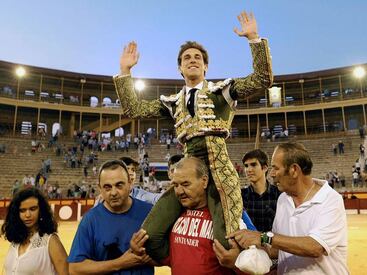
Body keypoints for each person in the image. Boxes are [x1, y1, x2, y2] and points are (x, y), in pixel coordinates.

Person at [113, 11, 273, 260]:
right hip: (188, 172)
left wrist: (253, 38)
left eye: (198, 57)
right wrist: (125, 71)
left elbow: (262, 79)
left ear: (206, 66)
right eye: (187, 57)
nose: (192, 60)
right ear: (180, 67)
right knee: (149, 236)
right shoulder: (173, 102)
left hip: (219, 172)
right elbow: (134, 109)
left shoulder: (223, 91)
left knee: (227, 244)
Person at [228, 142, 349, 275]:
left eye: (275, 168)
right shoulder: (283, 199)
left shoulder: (330, 199)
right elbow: (276, 249)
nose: (272, 174)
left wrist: (262, 237)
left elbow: (315, 247)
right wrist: (244, 248)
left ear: (294, 170)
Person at [130, 157, 243, 274]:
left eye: (185, 184)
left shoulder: (228, 214)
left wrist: (237, 263)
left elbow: (256, 266)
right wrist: (140, 250)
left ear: (204, 181)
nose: (179, 191)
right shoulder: (173, 216)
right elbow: (168, 261)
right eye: (175, 185)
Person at [68, 160, 154, 275]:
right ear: (100, 188)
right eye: (107, 187)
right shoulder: (90, 220)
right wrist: (121, 263)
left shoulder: (149, 212)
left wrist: (148, 257)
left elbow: (168, 256)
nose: (113, 193)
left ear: (130, 183)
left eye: (119, 185)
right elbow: (75, 268)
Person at [2, 187, 68, 275]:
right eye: (22, 210)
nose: (27, 215)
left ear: (41, 210)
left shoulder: (51, 241)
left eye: (33, 209)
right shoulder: (16, 241)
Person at [241, 149, 280, 232]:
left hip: (274, 243)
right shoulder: (240, 196)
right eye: (246, 166)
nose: (249, 170)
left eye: (253, 165)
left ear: (265, 168)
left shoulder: (279, 195)